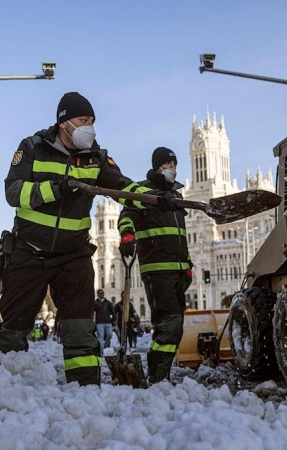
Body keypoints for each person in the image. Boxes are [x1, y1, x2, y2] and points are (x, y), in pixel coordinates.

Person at [0, 92, 179, 386]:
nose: (89, 126)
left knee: (80, 329)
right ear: (64, 122)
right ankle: (0, 387)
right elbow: (13, 192)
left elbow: (123, 187)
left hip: (73, 255)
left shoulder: (97, 158)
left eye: (92, 121)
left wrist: (158, 199)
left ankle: (85, 388)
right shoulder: (33, 148)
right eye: (83, 120)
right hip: (29, 252)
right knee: (14, 327)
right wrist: (57, 189)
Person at [118, 147, 193, 383]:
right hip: (157, 268)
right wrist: (127, 235)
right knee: (169, 323)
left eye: (174, 163)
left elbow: (180, 235)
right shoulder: (144, 192)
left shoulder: (177, 197)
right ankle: (158, 376)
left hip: (178, 268)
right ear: (157, 166)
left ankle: (161, 373)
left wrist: (187, 263)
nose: (172, 168)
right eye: (167, 164)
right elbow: (126, 214)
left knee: (175, 325)